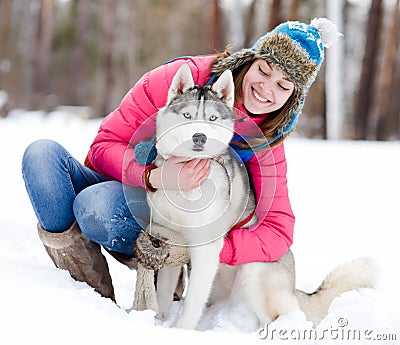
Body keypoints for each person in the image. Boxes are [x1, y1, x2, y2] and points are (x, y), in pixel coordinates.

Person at [21, 18, 340, 301]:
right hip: (124, 177)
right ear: (250, 59)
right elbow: (105, 145)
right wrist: (153, 176)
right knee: (41, 156)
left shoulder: (266, 141)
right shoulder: (183, 79)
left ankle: (164, 274)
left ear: (293, 100)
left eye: (283, 85)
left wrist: (214, 248)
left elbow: (279, 228)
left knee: (94, 206)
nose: (265, 88)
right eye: (264, 70)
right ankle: (88, 293)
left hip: (164, 220)